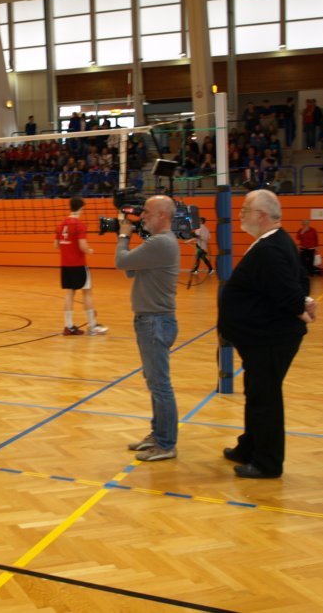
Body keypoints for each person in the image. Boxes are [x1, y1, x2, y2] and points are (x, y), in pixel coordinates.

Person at [217, 190, 315, 479]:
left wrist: (302, 308)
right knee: (257, 393)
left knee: (265, 398)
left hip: (270, 339)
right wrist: (304, 302)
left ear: (261, 215)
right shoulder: (274, 241)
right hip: (261, 338)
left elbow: (289, 292)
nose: (240, 214)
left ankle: (267, 463)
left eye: (245, 209)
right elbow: (299, 280)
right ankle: (249, 447)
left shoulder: (271, 248)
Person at [115, 195, 180, 462]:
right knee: (155, 383)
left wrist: (123, 236)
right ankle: (159, 435)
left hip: (155, 321)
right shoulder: (157, 242)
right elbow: (131, 270)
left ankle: (166, 444)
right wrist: (133, 240)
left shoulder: (162, 242)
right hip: (151, 320)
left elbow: (121, 262)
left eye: (147, 212)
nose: (142, 217)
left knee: (160, 385)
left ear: (162, 215)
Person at [55, 197, 108, 336]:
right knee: (87, 292)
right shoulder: (79, 225)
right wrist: (89, 250)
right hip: (78, 264)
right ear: (81, 208)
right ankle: (93, 326)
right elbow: (82, 246)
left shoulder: (61, 224)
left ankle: (68, 326)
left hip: (65, 265)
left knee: (70, 293)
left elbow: (56, 245)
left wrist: (68, 248)